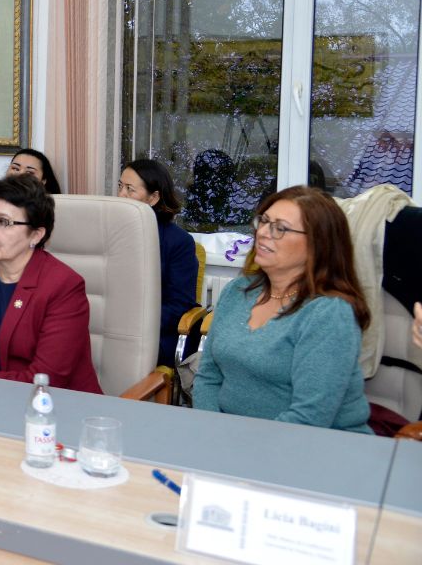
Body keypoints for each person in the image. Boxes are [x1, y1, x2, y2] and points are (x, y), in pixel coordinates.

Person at [194, 186, 372, 433]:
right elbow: (208, 376)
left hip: (316, 445)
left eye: (280, 228)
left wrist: (235, 444)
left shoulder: (330, 313)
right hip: (231, 438)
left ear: (317, 244)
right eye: (264, 221)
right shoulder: (237, 291)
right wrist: (211, 430)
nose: (263, 233)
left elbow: (309, 416)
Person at [0, 175, 101, 392]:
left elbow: (47, 378)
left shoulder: (64, 286)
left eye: (2, 222)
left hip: (44, 403)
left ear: (36, 235)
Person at [117, 159, 199, 368]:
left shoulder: (179, 242)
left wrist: (130, 323)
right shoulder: (111, 232)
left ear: (153, 198)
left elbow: (179, 305)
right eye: (120, 186)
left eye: (130, 189)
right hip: (110, 328)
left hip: (154, 334)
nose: (121, 195)